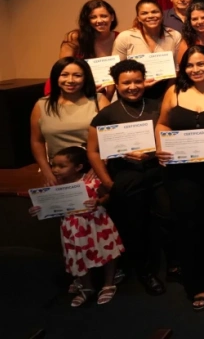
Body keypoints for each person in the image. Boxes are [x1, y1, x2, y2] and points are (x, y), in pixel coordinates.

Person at [155, 46, 204, 311]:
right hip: (180, 172)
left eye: (201, 64)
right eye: (190, 65)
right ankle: (195, 282)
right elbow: (163, 123)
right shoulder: (173, 92)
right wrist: (160, 146)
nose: (196, 70)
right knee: (188, 225)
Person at [87, 59, 171, 296]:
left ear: (144, 81)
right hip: (125, 176)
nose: (132, 86)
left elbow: (170, 136)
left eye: (137, 81)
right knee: (135, 227)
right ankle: (145, 272)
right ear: (116, 84)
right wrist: (108, 183)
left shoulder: (157, 106)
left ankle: (172, 266)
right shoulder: (107, 114)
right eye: (126, 83)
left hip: (157, 172)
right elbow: (93, 150)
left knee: (167, 217)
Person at [28, 146, 123, 307]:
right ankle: (87, 287)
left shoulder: (91, 181)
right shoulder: (53, 186)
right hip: (71, 227)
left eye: (62, 166)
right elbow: (50, 207)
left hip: (96, 223)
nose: (56, 170)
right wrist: (38, 209)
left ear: (78, 167)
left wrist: (98, 201)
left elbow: (106, 195)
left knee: (107, 252)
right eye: (54, 165)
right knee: (78, 255)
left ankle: (108, 283)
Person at [31, 58, 106, 186]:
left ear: (85, 78)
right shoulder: (42, 105)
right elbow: (37, 141)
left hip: (93, 168)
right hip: (57, 172)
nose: (70, 80)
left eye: (77, 75)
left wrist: (99, 166)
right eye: (64, 75)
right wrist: (46, 170)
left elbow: (110, 138)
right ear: (56, 77)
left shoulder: (99, 100)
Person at [113, 0, 182, 100]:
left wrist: (168, 94)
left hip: (166, 90)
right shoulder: (125, 37)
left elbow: (177, 68)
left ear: (162, 15)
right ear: (139, 18)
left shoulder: (174, 35)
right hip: (133, 91)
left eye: (154, 12)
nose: (150, 16)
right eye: (144, 13)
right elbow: (116, 70)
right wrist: (139, 85)